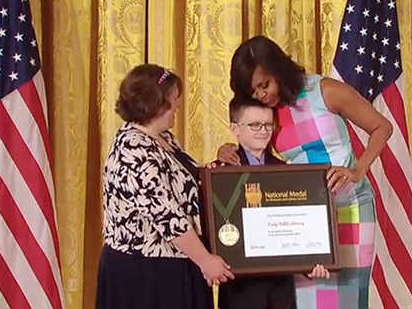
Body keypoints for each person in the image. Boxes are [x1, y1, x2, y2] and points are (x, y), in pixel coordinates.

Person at [218, 36, 393, 309]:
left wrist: (357, 170)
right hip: (306, 220)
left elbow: (382, 127)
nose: (262, 95)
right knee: (309, 301)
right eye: (254, 91)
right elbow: (256, 154)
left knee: (348, 300)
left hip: (352, 209)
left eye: (265, 85)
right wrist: (227, 148)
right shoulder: (267, 113)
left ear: (279, 70)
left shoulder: (324, 90)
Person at [97, 64, 234, 309]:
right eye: (173, 98)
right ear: (157, 102)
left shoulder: (163, 137)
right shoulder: (133, 148)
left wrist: (220, 163)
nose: (178, 105)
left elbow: (186, 182)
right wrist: (204, 260)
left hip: (174, 265)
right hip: (145, 274)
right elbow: (166, 215)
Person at [217, 95, 329, 309]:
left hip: (281, 290)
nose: (263, 131)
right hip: (240, 291)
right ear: (235, 128)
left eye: (268, 125)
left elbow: (300, 225)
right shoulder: (219, 175)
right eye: (255, 125)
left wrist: (312, 261)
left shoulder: (288, 173)